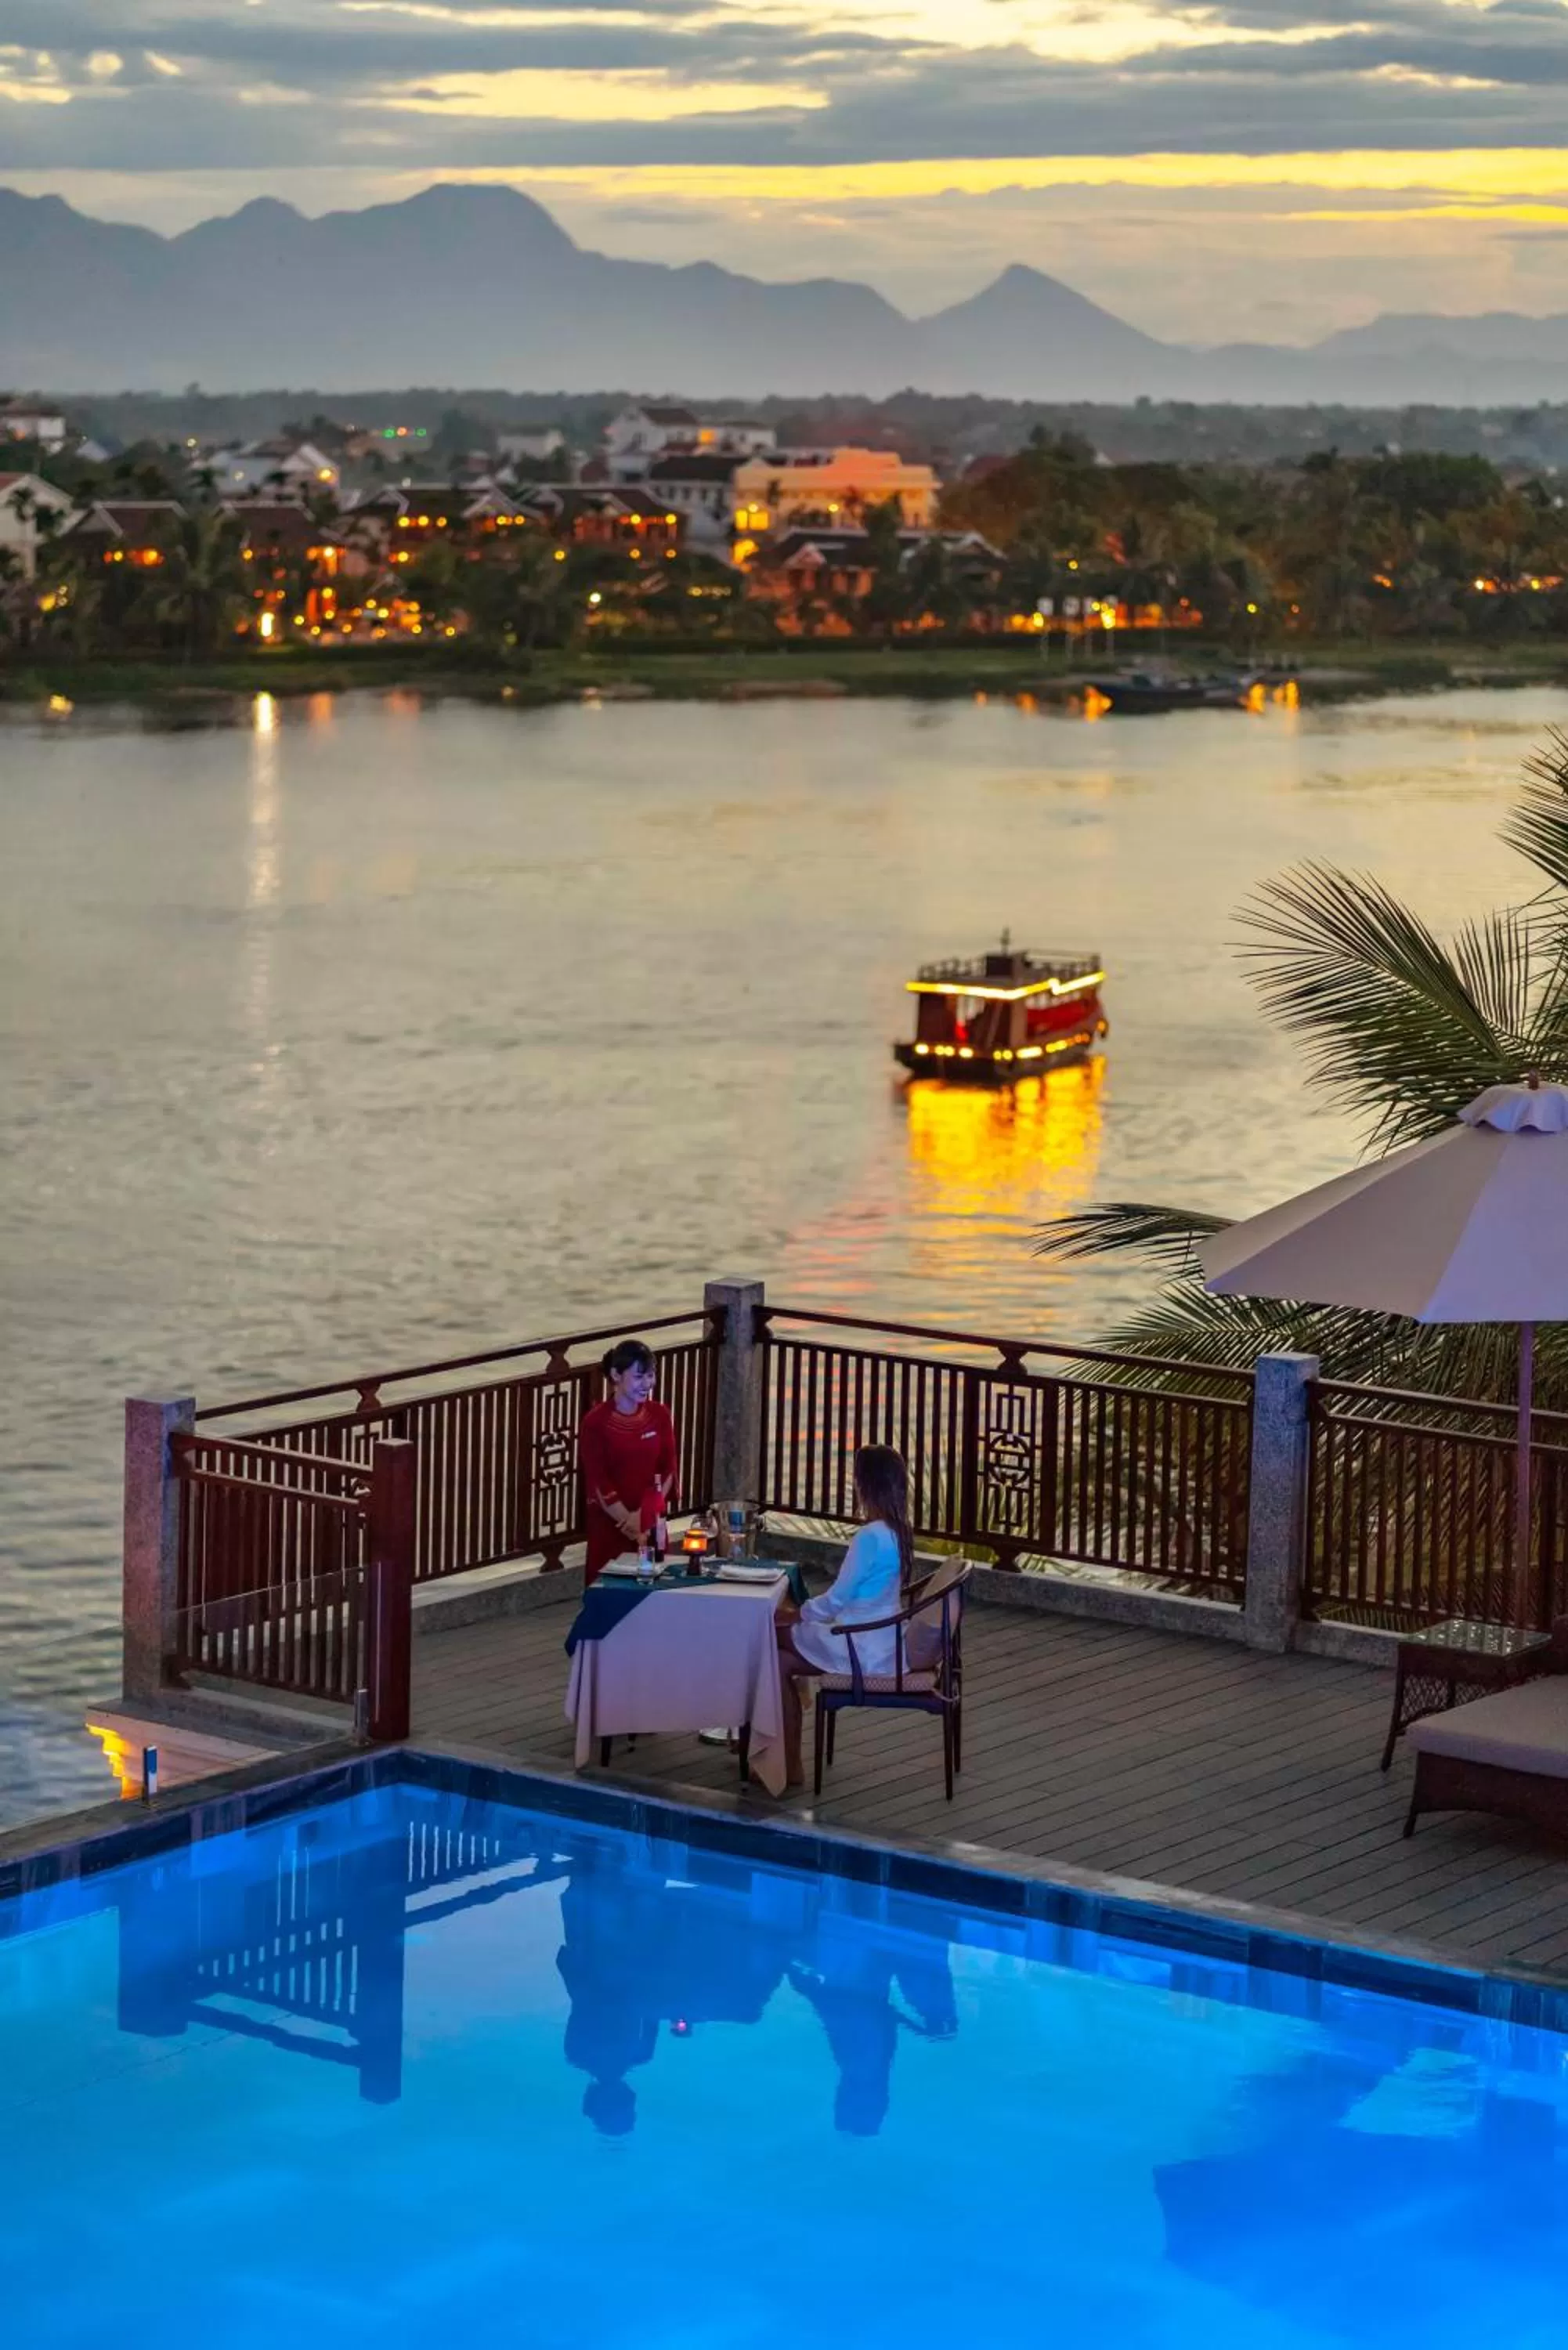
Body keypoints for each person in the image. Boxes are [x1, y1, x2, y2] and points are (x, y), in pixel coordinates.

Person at [775, 1443, 912, 1785]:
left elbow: (837, 1600)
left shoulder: (870, 1537)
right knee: (778, 1662)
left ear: (867, 1485)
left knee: (769, 1632)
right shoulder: (899, 1530)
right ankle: (784, 1761)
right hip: (883, 1641)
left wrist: (798, 1614)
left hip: (858, 1645)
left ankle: (777, 1756)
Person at [578, 1337, 679, 1585]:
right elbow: (599, 1480)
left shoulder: (659, 1414)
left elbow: (668, 1469)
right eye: (639, 1377)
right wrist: (630, 1522)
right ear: (616, 1375)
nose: (647, 1384)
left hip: (651, 1519)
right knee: (610, 1591)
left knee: (656, 1589)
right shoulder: (596, 1422)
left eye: (650, 1376)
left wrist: (644, 1516)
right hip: (612, 1523)